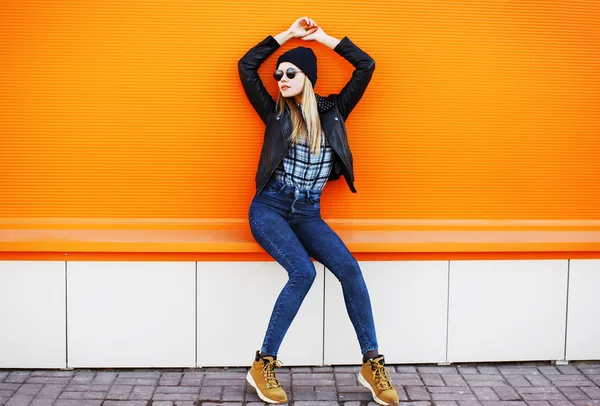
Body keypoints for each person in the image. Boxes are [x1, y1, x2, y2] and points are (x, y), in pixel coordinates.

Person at [238, 17, 399, 406]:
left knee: (349, 269)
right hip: (270, 208)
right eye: (278, 74)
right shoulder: (274, 112)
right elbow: (246, 65)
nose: (280, 78)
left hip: (308, 213)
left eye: (290, 72)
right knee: (303, 272)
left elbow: (366, 66)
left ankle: (371, 363)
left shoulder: (333, 110)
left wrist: (321, 38)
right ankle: (263, 364)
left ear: (307, 77)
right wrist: (287, 36)